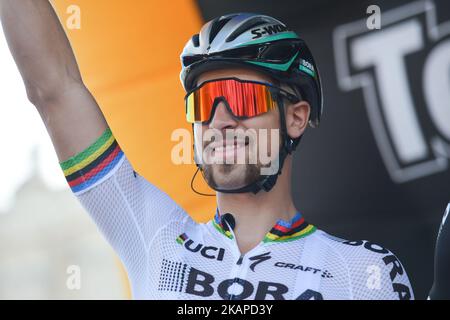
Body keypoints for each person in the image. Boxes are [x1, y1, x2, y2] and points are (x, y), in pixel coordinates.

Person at [0, 1, 414, 300]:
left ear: (297, 117)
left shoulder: (363, 272)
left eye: (241, 98)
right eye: (204, 102)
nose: (220, 120)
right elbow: (54, 88)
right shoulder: (155, 235)